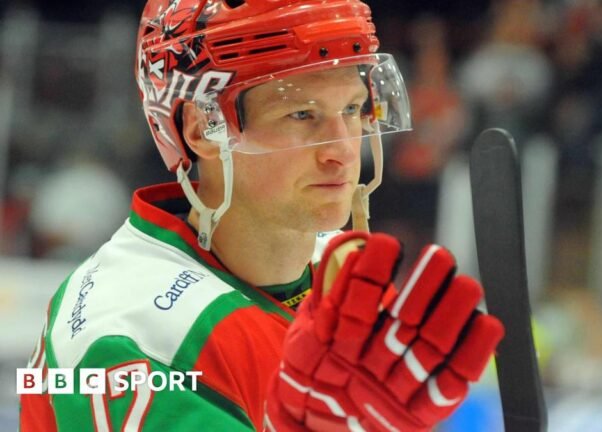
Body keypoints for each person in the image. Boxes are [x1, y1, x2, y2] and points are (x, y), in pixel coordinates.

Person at [19, 1, 504, 431]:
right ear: (202, 131)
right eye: (302, 115)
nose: (343, 150)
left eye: (353, 109)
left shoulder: (335, 271)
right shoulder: (130, 338)